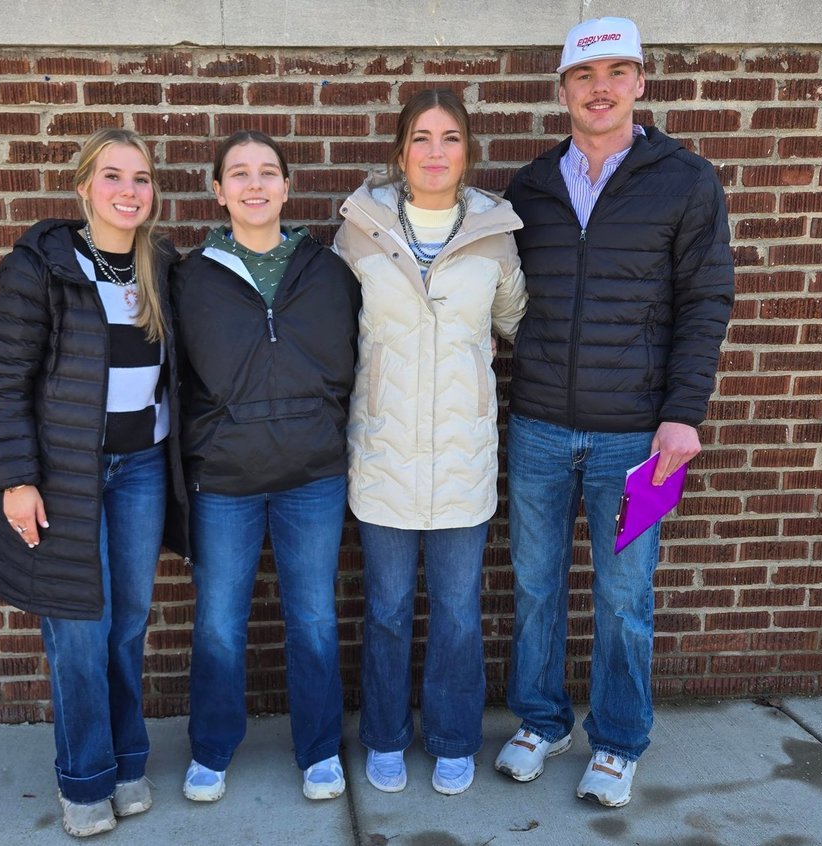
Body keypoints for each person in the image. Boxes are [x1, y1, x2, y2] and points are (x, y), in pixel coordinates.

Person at [493, 17, 735, 807]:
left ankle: (620, 738)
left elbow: (706, 301)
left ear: (639, 82)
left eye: (617, 73)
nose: (601, 90)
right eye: (584, 76)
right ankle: (540, 719)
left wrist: (683, 413)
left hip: (640, 440)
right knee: (533, 582)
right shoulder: (529, 188)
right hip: (536, 428)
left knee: (627, 592)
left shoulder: (687, 181)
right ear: (562, 90)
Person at [0, 127, 186, 837]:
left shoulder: (160, 263)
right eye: (114, 177)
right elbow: (2, 381)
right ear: (85, 186)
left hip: (142, 471)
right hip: (66, 476)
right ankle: (85, 779)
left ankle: (128, 763)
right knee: (76, 629)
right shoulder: (44, 264)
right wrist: (14, 478)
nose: (129, 191)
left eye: (142, 179)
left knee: (126, 625)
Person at [334, 89, 527, 796]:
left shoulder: (495, 236)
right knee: (384, 609)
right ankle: (385, 735)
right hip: (382, 452)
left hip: (461, 459)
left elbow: (515, 322)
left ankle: (452, 738)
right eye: (421, 137)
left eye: (450, 138)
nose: (436, 151)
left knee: (456, 611)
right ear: (400, 153)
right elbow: (336, 332)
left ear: (467, 153)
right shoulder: (360, 231)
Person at [173, 130, 361, 803]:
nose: (255, 185)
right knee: (219, 620)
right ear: (217, 190)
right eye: (239, 174)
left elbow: (358, 359)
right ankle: (212, 749)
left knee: (312, 616)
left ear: (287, 186)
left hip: (312, 473)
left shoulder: (329, 270)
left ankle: (318, 751)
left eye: (268, 172)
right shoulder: (188, 277)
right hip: (225, 479)